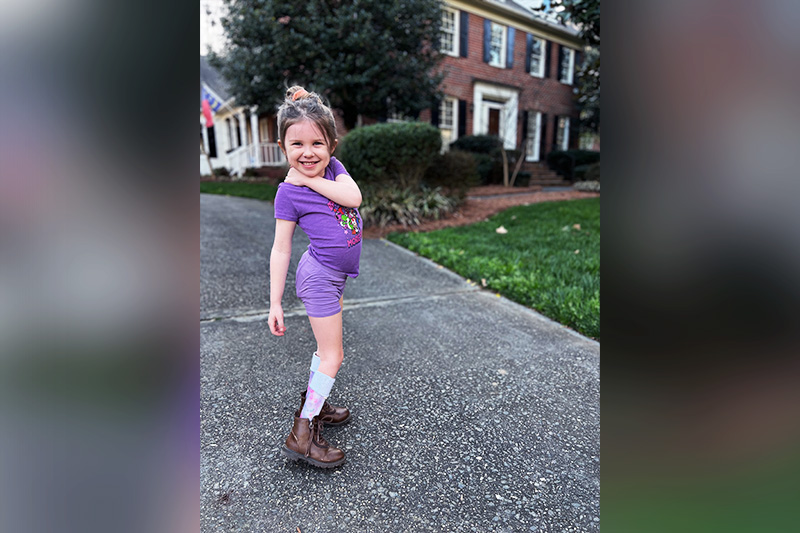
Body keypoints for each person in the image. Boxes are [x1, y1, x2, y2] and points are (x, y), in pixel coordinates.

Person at [268, 86, 363, 468]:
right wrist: (275, 302)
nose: (308, 153)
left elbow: (353, 198)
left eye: (317, 144)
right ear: (283, 146)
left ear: (332, 146)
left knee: (326, 352)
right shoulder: (287, 194)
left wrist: (310, 180)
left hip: (334, 276)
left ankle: (316, 406)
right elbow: (280, 248)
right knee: (333, 355)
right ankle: (302, 433)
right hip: (318, 277)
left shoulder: (334, 172)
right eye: (297, 144)